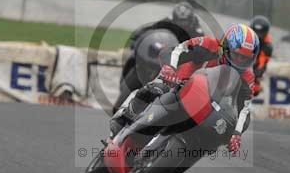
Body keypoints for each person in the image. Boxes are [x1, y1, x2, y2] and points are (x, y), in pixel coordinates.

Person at [111, 23, 260, 156]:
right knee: (157, 88)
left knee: (216, 137)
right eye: (236, 55)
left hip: (207, 106)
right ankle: (126, 114)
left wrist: (236, 133)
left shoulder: (247, 77)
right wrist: (170, 68)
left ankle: (173, 163)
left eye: (244, 59)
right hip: (179, 82)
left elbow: (245, 108)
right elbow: (178, 50)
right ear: (225, 47)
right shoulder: (208, 44)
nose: (239, 61)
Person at [113, 2, 204, 112]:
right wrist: (139, 35)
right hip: (162, 54)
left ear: (190, 20)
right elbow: (152, 29)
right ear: (174, 18)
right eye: (179, 21)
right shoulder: (167, 21)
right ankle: (125, 80)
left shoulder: (197, 30)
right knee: (134, 57)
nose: (181, 24)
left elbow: (201, 47)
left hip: (179, 61)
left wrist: (193, 53)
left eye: (184, 21)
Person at [249, 15, 274, 96]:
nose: (257, 36)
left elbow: (261, 66)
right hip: (239, 65)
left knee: (255, 89)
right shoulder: (243, 36)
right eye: (255, 32)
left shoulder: (267, 47)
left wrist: (254, 76)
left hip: (251, 72)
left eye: (260, 34)